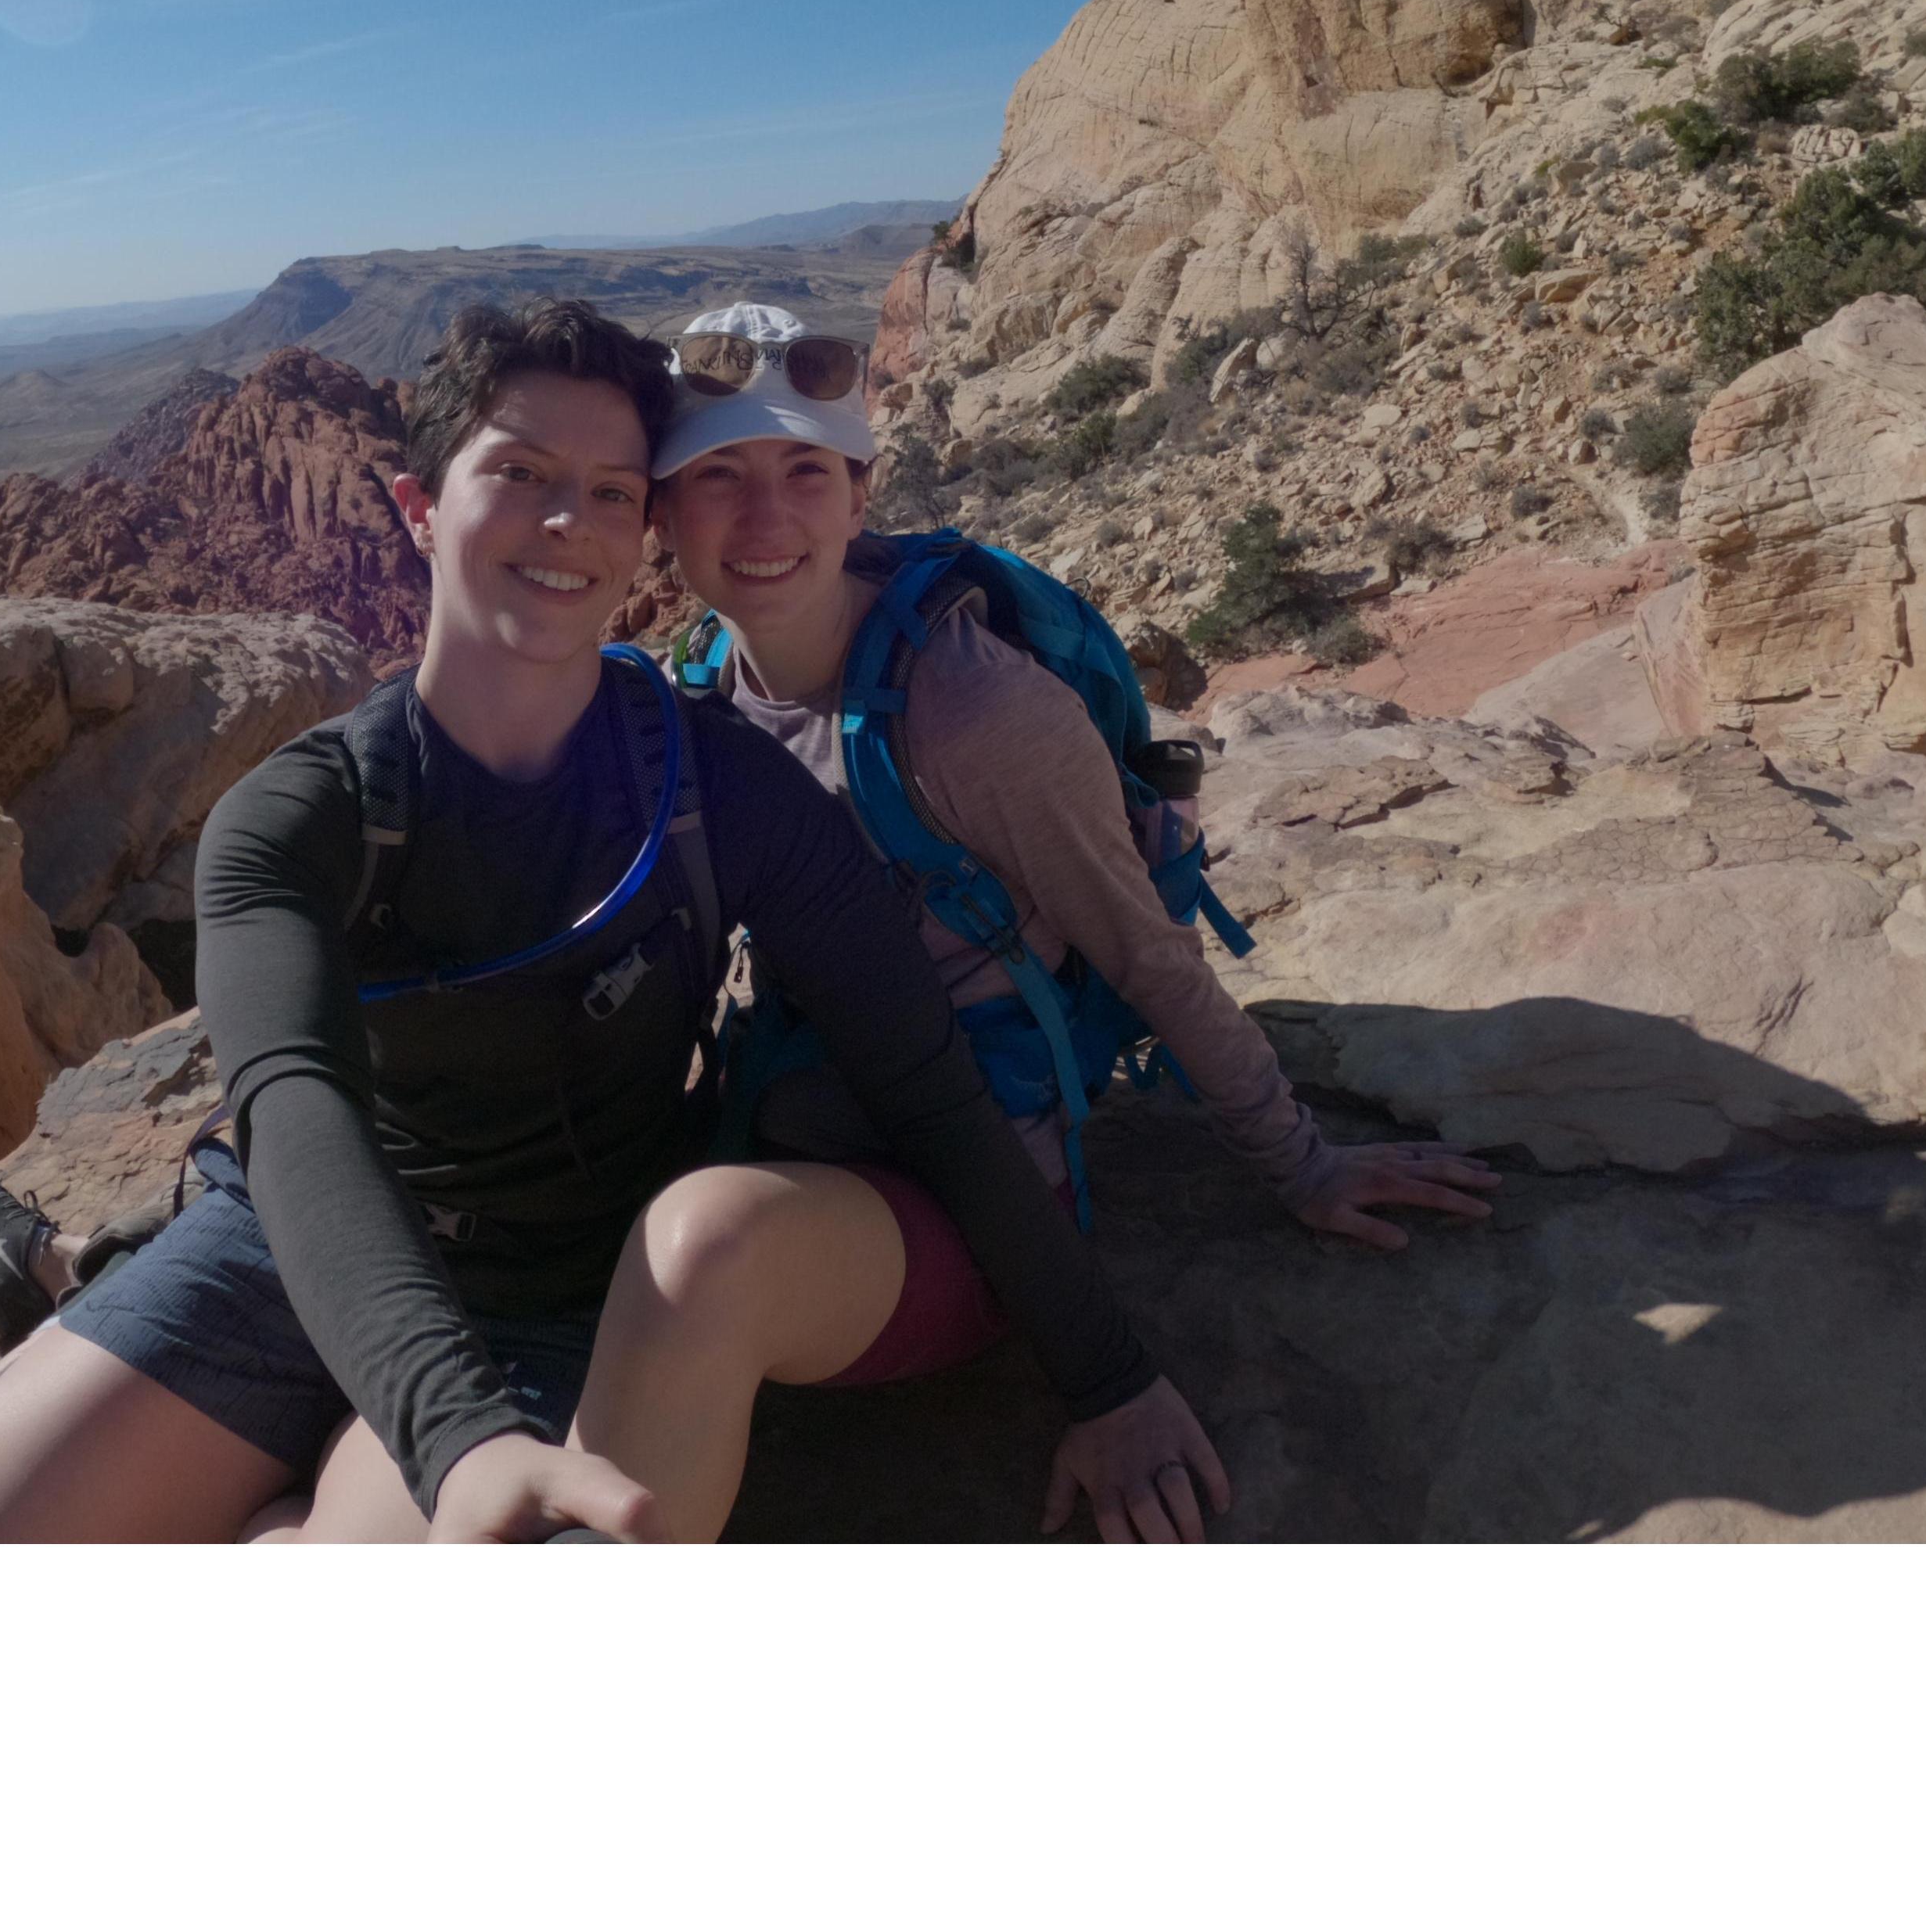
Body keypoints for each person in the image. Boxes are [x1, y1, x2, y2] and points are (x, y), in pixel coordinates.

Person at [0, 295, 1224, 1543]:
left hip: (560, 1287)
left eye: (610, 492)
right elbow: (295, 1116)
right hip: (298, 1249)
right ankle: (235, 1412)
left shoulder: (719, 788)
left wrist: (1109, 1379)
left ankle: (258, 1471)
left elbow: (923, 1084)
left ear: (644, 530)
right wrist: (452, 1436)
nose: (567, 522)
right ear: (418, 504)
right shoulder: (298, 819)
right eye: (519, 474)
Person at [583, 301, 1499, 1487]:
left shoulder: (971, 715)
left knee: (686, 1278)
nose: (764, 517)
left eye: (805, 469)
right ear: (662, 514)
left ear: (860, 495)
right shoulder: (700, 684)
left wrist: (1303, 1163)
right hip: (803, 1105)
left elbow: (1145, 949)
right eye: (716, 476)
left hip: (976, 1189)